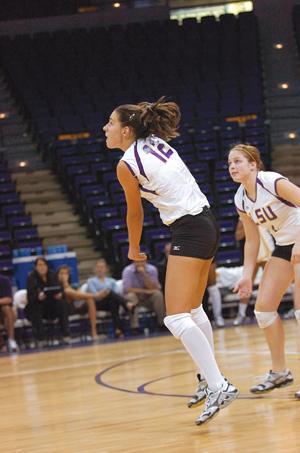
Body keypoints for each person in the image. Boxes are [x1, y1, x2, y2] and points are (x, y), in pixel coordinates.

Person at [103, 96, 238, 426]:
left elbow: (134, 212)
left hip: (189, 229)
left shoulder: (126, 164)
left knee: (176, 318)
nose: (105, 128)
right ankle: (209, 380)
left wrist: (134, 248)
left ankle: (219, 385)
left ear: (127, 130)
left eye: (111, 123)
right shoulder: (152, 141)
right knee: (193, 310)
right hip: (206, 222)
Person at [228, 143, 300, 398]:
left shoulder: (270, 181)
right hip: (283, 246)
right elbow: (252, 240)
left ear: (253, 164)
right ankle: (280, 372)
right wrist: (247, 275)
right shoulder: (240, 198)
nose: (233, 166)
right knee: (264, 310)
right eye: (230, 163)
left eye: (237, 161)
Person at [233, 218, 275, 326]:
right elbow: (238, 235)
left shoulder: (263, 211)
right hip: (254, 249)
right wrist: (247, 225)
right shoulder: (244, 216)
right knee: (247, 283)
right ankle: (241, 314)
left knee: (271, 284)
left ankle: (271, 311)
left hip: (267, 248)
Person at [26, 257, 70, 345]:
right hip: (40, 307)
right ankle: (41, 338)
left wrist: (60, 295)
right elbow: (30, 297)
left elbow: (61, 290)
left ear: (47, 266)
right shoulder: (31, 278)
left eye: (44, 264)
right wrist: (38, 297)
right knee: (35, 307)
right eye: (39, 265)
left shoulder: (53, 275)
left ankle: (65, 335)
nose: (42, 267)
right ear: (36, 267)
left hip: (52, 305)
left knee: (63, 304)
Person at [86, 259, 134, 338]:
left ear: (106, 269)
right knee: (111, 294)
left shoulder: (112, 281)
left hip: (110, 303)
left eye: (102, 267)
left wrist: (106, 293)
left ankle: (118, 330)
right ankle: (126, 304)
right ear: (95, 269)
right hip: (97, 304)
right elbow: (95, 295)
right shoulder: (91, 281)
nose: (100, 269)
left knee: (113, 301)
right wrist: (106, 293)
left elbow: (116, 294)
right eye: (98, 267)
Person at [57, 265, 99, 340]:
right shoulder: (55, 286)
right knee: (67, 291)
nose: (64, 276)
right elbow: (67, 291)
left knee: (90, 300)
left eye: (66, 274)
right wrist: (65, 282)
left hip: (74, 307)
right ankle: (96, 295)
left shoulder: (72, 285)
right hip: (63, 311)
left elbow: (77, 296)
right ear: (57, 275)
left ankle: (94, 331)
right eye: (61, 273)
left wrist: (79, 294)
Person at [122, 259, 165, 330]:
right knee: (131, 296)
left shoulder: (152, 269)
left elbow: (154, 288)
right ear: (134, 262)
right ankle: (135, 327)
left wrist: (144, 274)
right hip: (134, 298)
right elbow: (127, 289)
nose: (140, 264)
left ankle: (162, 324)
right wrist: (145, 291)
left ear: (146, 261)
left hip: (147, 299)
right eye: (137, 261)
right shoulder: (127, 270)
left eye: (142, 261)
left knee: (158, 294)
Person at [0, 274, 19, 353]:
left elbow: (8, 300)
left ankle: (11, 340)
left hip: (4, 314)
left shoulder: (4, 280)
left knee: (7, 308)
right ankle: (1, 344)